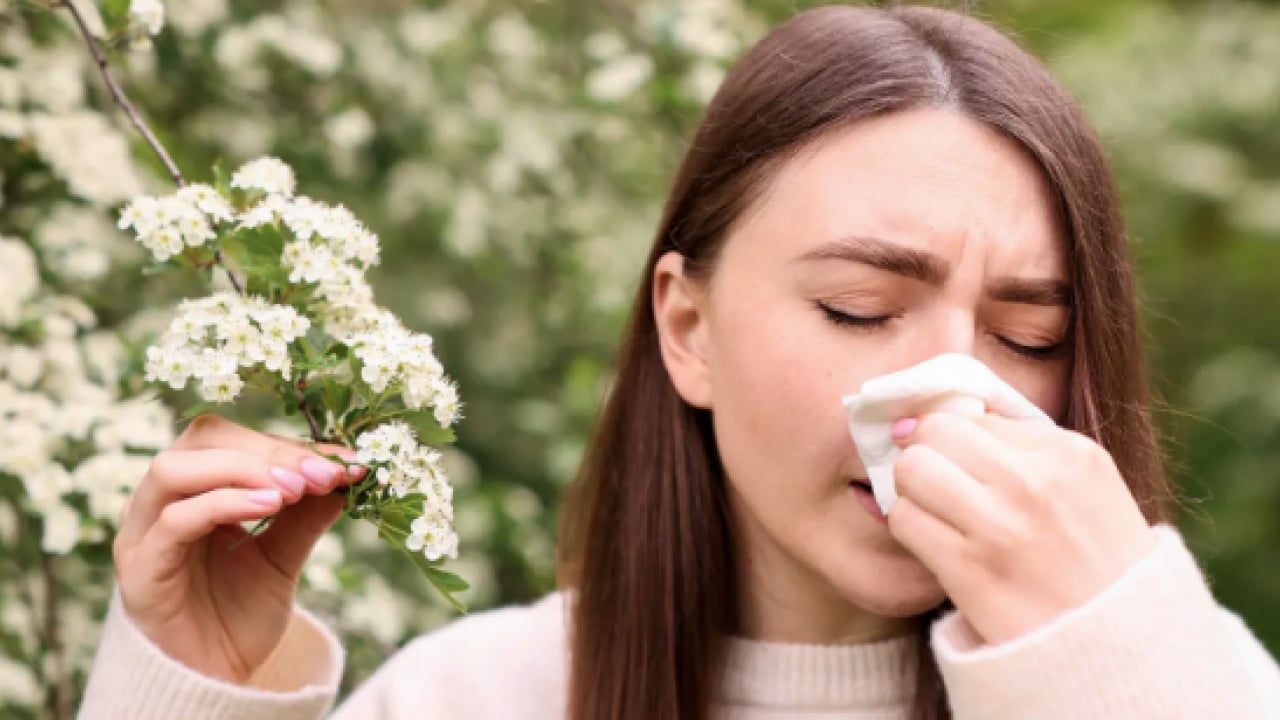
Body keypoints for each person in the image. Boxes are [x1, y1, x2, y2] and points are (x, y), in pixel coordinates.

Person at [78, 5, 1280, 720]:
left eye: (1030, 338)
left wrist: (1109, 665)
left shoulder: (1184, 676)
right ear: (685, 327)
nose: (947, 397)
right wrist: (193, 689)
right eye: (860, 309)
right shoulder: (482, 699)